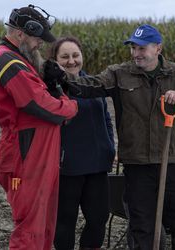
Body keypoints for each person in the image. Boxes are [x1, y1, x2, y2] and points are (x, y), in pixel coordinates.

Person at [64, 24, 175, 250]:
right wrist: (60, 77)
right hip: (137, 165)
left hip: (172, 162)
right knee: (141, 226)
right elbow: (90, 86)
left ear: (157, 48)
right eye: (133, 48)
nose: (136, 53)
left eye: (142, 48)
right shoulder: (119, 74)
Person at [0, 5, 78, 250]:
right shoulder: (6, 59)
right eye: (37, 38)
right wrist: (69, 106)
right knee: (30, 228)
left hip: (38, 151)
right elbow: (37, 104)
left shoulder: (20, 59)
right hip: (26, 152)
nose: (40, 44)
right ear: (21, 33)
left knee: (44, 226)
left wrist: (53, 85)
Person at [49, 37, 115, 250]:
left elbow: (105, 118)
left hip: (97, 166)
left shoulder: (93, 84)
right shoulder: (52, 89)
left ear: (82, 57)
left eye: (75, 55)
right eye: (65, 57)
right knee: (64, 222)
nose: (71, 61)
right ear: (55, 60)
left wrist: (109, 147)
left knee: (99, 219)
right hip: (67, 168)